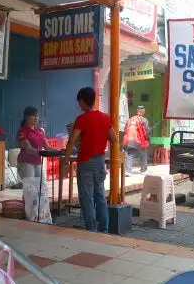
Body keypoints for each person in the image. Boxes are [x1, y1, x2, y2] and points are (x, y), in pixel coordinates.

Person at [63, 87, 116, 233]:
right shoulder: (105, 117)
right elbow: (114, 138)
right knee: (100, 197)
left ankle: (92, 230)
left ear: (82, 101)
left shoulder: (82, 119)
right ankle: (104, 229)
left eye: (79, 102)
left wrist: (66, 161)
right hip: (100, 161)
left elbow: (72, 140)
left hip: (86, 162)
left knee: (87, 199)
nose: (79, 105)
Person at [17, 106, 57, 223]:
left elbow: (48, 147)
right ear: (26, 117)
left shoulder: (40, 131)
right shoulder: (22, 131)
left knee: (42, 188)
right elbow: (28, 148)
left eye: (37, 116)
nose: (36, 118)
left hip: (37, 162)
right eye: (33, 115)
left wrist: (60, 151)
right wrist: (41, 152)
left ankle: (41, 214)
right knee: (30, 189)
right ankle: (30, 216)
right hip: (26, 163)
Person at [122, 105, 151, 177]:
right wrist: (148, 140)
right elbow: (147, 131)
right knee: (143, 154)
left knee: (130, 155)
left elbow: (125, 130)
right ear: (143, 112)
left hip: (130, 140)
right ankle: (143, 170)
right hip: (139, 140)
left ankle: (128, 171)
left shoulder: (130, 119)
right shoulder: (144, 120)